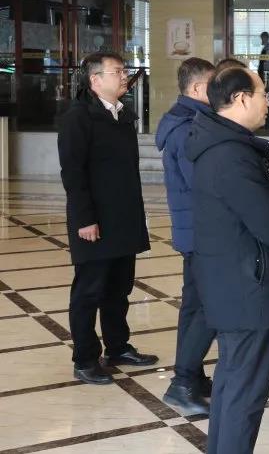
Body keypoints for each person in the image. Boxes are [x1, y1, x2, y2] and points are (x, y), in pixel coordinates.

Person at [187, 66, 269, 454]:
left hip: (234, 283)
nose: (268, 102)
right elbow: (265, 218)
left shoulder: (220, 144)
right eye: (263, 94)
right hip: (248, 289)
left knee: (232, 385)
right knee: (244, 395)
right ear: (241, 99)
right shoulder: (231, 155)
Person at [57, 51, 158, 384]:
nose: (124, 76)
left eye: (124, 70)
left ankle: (118, 347)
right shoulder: (78, 117)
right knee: (89, 292)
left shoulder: (122, 115)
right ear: (95, 80)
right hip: (94, 221)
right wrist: (84, 219)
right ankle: (85, 358)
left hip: (123, 218)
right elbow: (73, 173)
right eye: (117, 71)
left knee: (119, 288)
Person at [156, 57, 216, 414]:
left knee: (195, 306)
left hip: (195, 230)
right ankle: (181, 384)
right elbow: (205, 184)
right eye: (214, 84)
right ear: (196, 88)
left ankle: (191, 376)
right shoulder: (188, 128)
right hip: (201, 232)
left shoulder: (191, 121)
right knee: (208, 306)